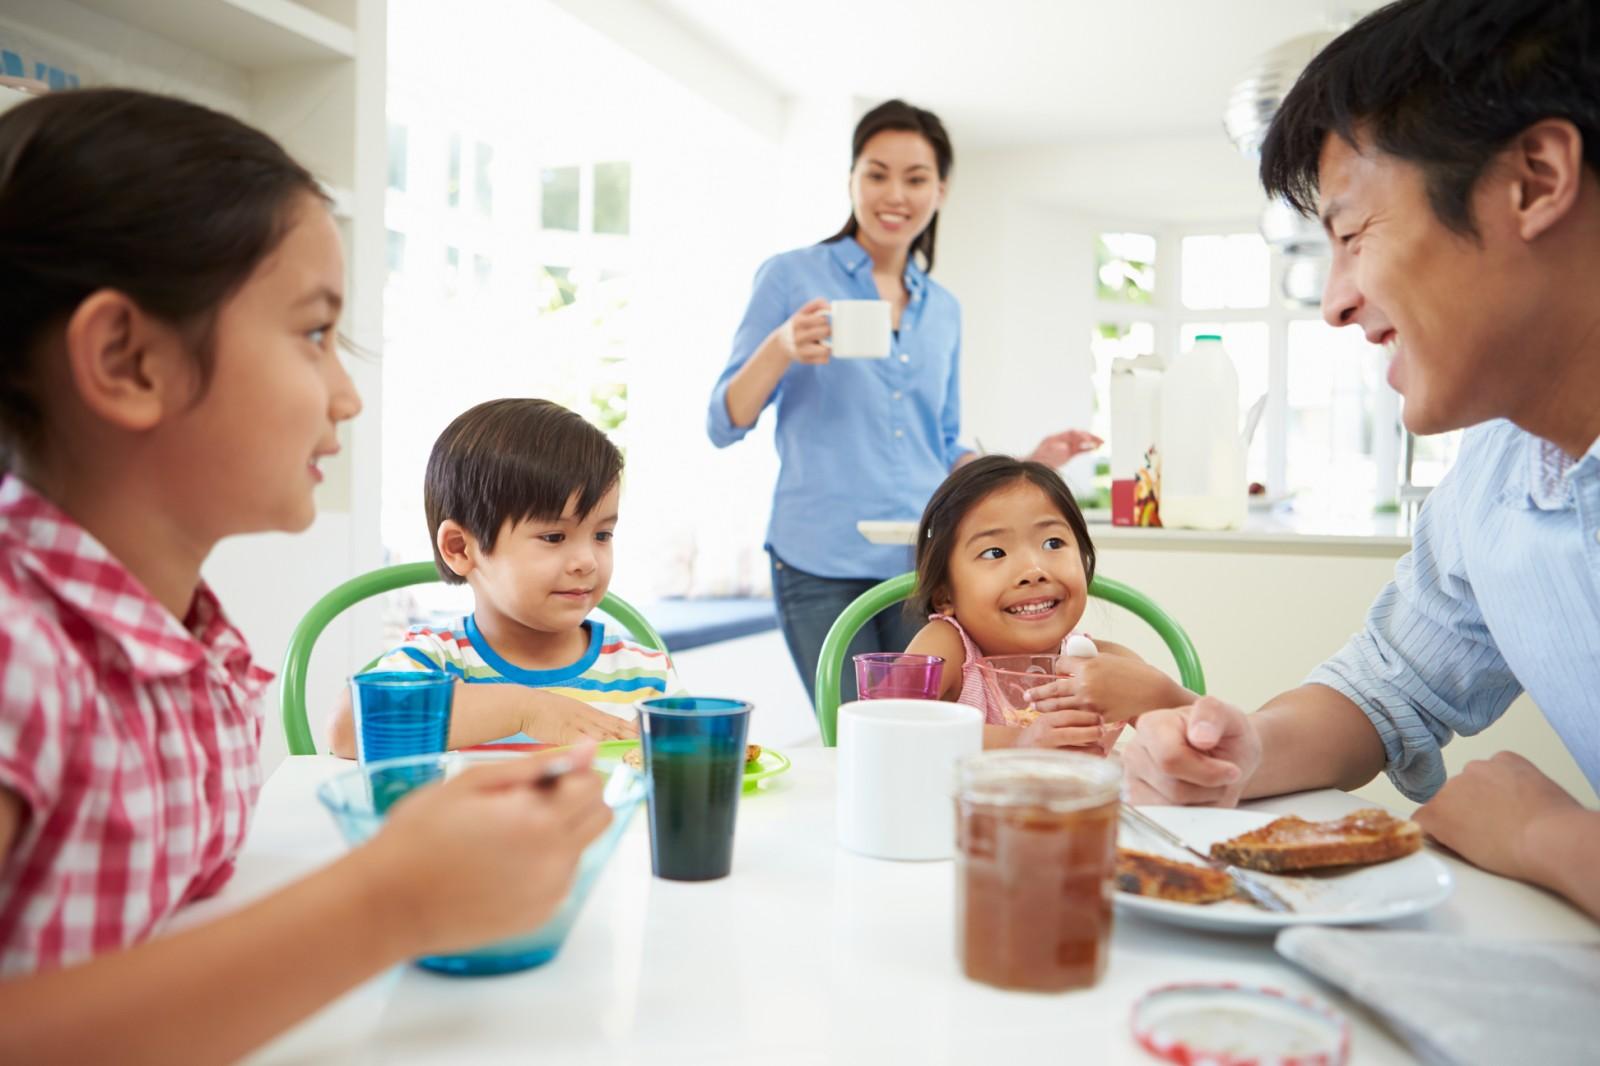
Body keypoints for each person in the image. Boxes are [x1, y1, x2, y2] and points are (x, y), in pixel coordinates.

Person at [0, 88, 612, 1061]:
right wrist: (390, 901)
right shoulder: (15, 648)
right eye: (315, 334)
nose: (348, 394)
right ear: (125, 359)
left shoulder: (185, 640)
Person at [1122, 0, 1600, 922]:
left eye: (1351, 233)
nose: (1336, 302)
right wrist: (1247, 748)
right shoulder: (1497, 478)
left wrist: (1551, 837)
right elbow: (1391, 685)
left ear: (1535, 181)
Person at [706, 99, 1100, 709]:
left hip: (916, 561)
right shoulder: (791, 277)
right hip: (818, 558)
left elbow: (942, 442)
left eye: (915, 178)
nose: (895, 194)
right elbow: (723, 421)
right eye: (877, 173)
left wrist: (1028, 464)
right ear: (852, 181)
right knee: (857, 730)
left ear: (939, 190)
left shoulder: (942, 308)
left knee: (926, 722)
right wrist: (782, 345)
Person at [328, 398, 681, 754]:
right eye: (554, 537)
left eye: (602, 535)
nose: (587, 561)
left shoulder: (643, 675)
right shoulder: (437, 660)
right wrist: (526, 709)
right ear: (460, 549)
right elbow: (348, 728)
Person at [905, 456, 1192, 749]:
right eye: (994, 552)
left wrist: (1159, 694)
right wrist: (1020, 741)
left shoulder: (1107, 667)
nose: (1033, 571)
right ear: (945, 596)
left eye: (1053, 543)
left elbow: (1203, 744)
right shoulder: (945, 649)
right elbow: (888, 727)